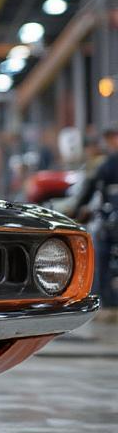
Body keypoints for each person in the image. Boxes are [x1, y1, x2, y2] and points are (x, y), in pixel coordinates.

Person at [75, 127, 118, 319]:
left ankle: (106, 299)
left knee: (100, 249)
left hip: (112, 220)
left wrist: (78, 209)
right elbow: (91, 190)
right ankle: (107, 299)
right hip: (112, 217)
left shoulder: (106, 165)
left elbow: (90, 190)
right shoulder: (105, 164)